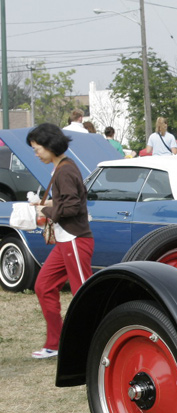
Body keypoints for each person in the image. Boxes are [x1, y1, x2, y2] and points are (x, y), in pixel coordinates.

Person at [26, 123, 93, 359]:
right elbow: (70, 200)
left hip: (75, 240)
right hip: (67, 241)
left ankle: (92, 344)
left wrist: (45, 210)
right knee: (43, 286)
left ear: (49, 146)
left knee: (83, 294)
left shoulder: (64, 170)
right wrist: (46, 204)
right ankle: (55, 343)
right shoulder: (64, 167)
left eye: (37, 149)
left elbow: (73, 207)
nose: (36, 154)